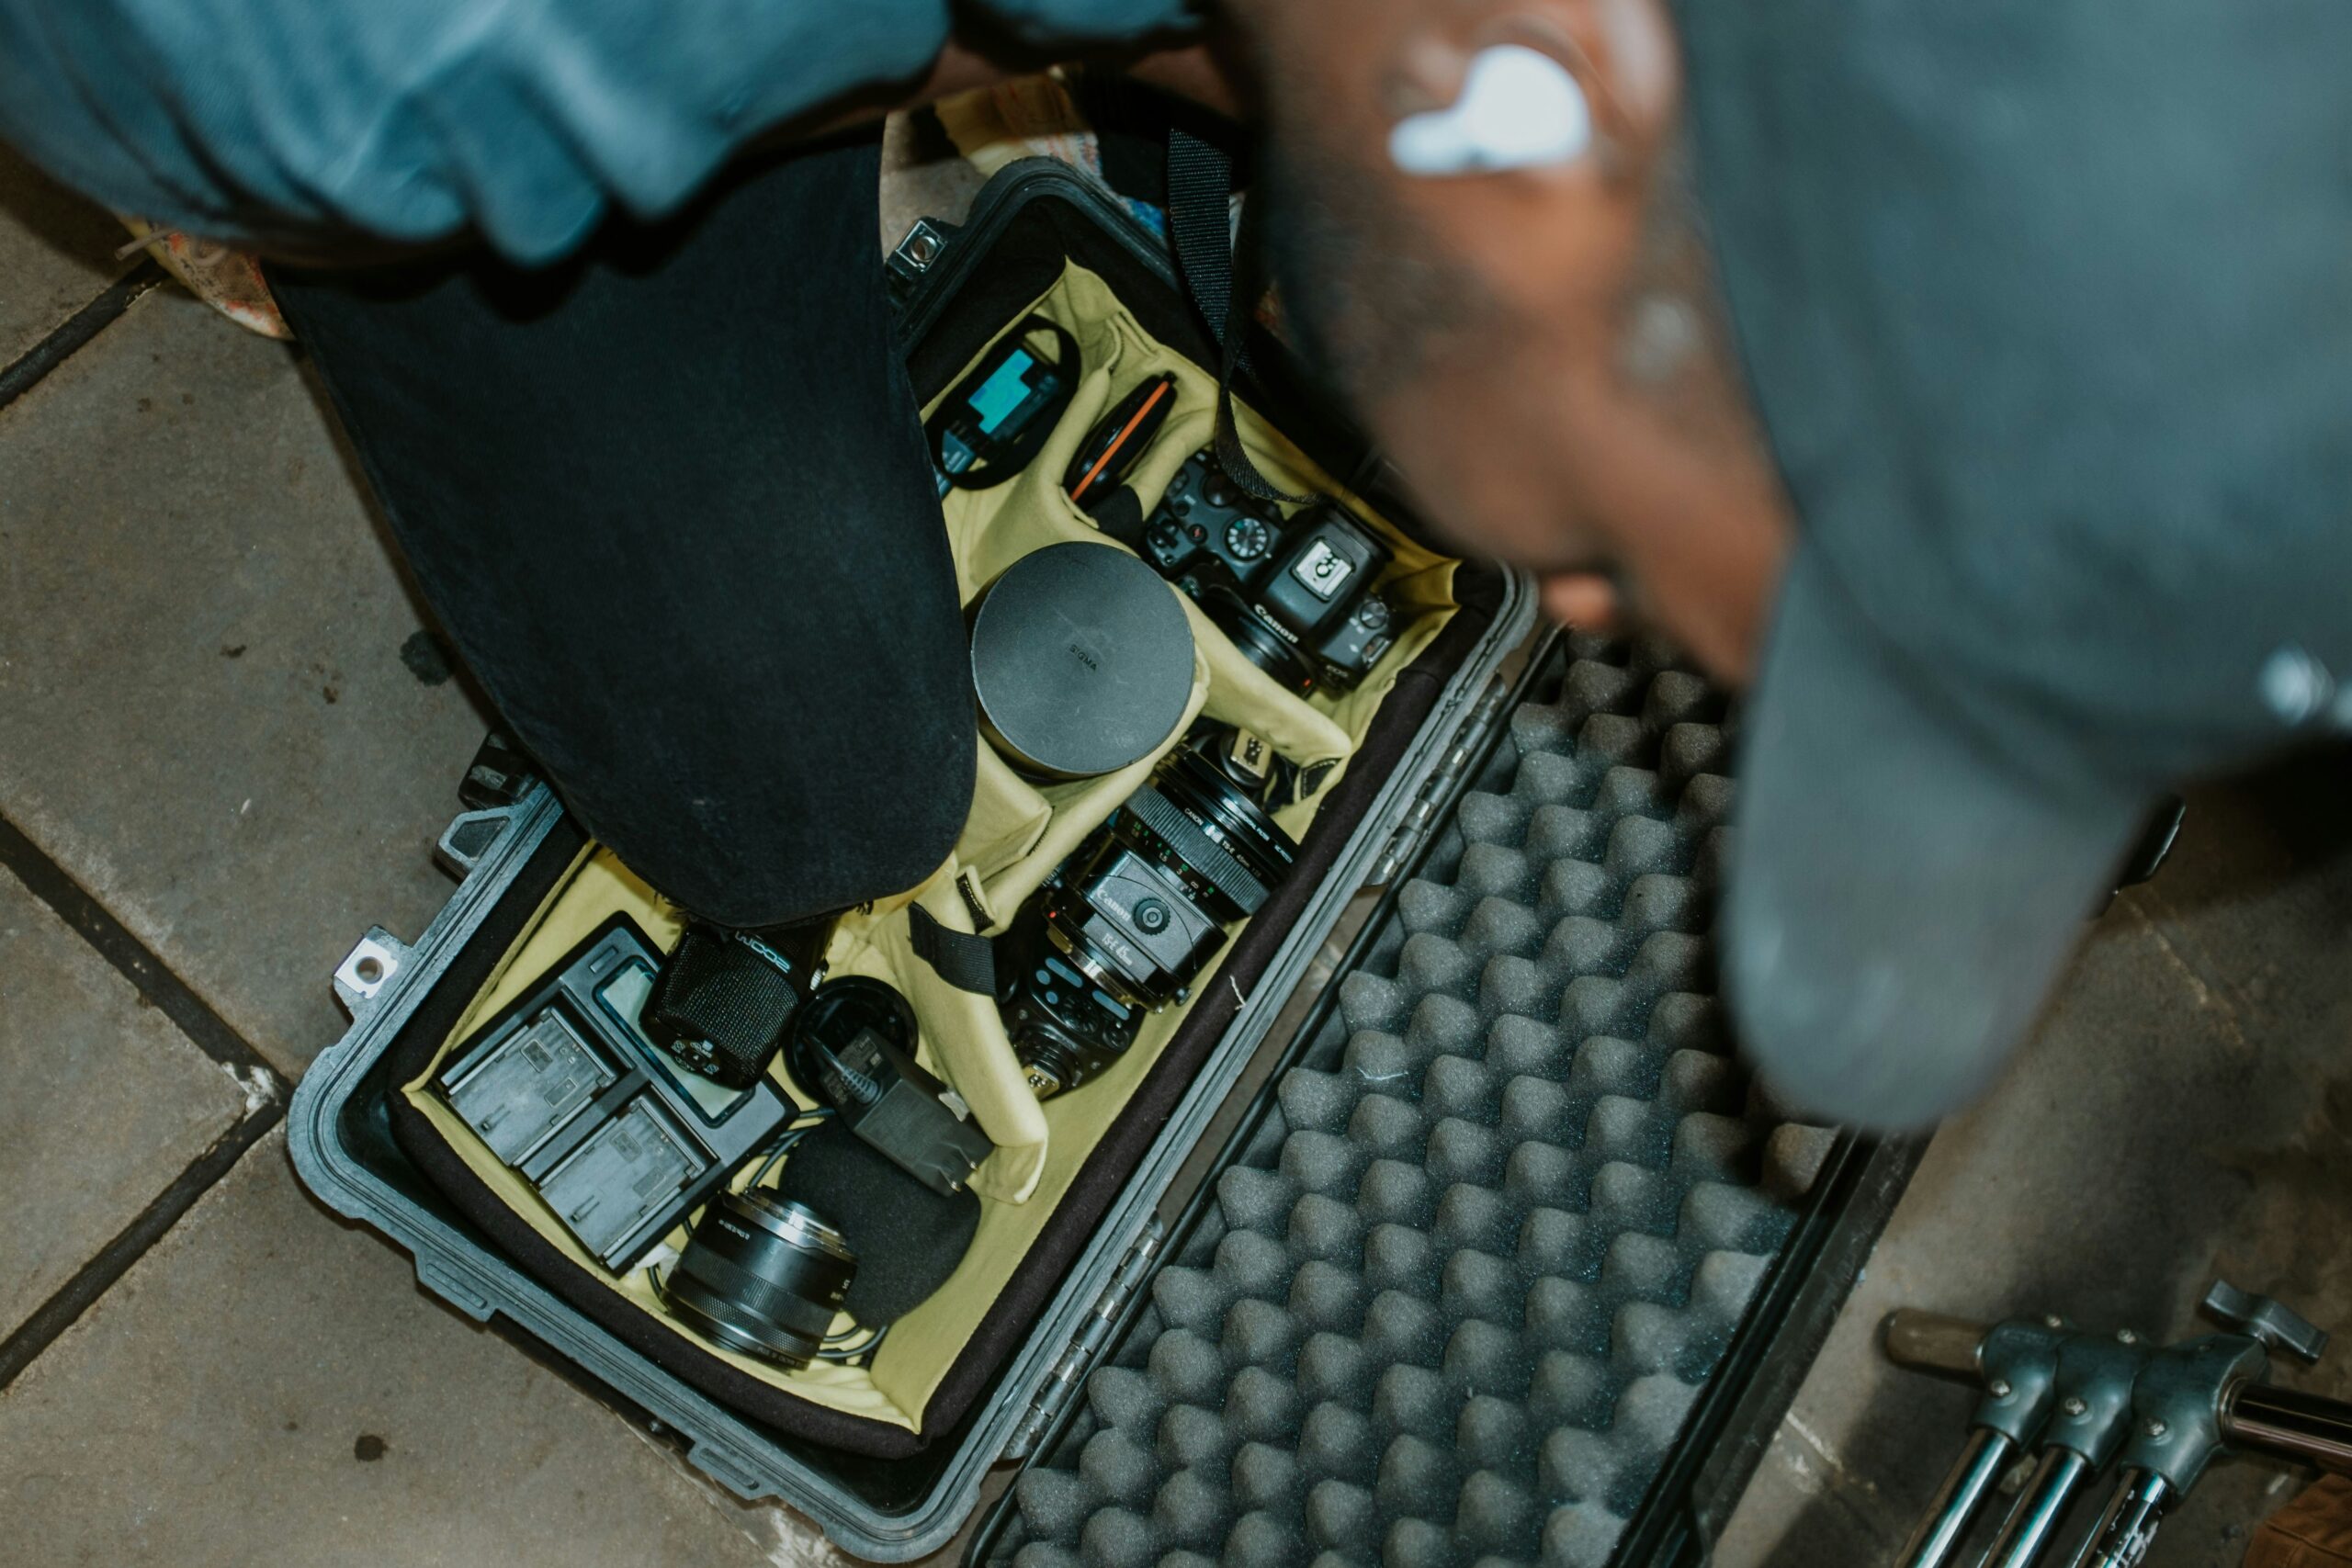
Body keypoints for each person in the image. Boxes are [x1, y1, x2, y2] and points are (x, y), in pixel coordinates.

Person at [5, 0, 2345, 1131]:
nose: (1602, 626)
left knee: (1401, 378)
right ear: (1522, 109)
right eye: (1630, 555)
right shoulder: (389, 45)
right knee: (804, 807)